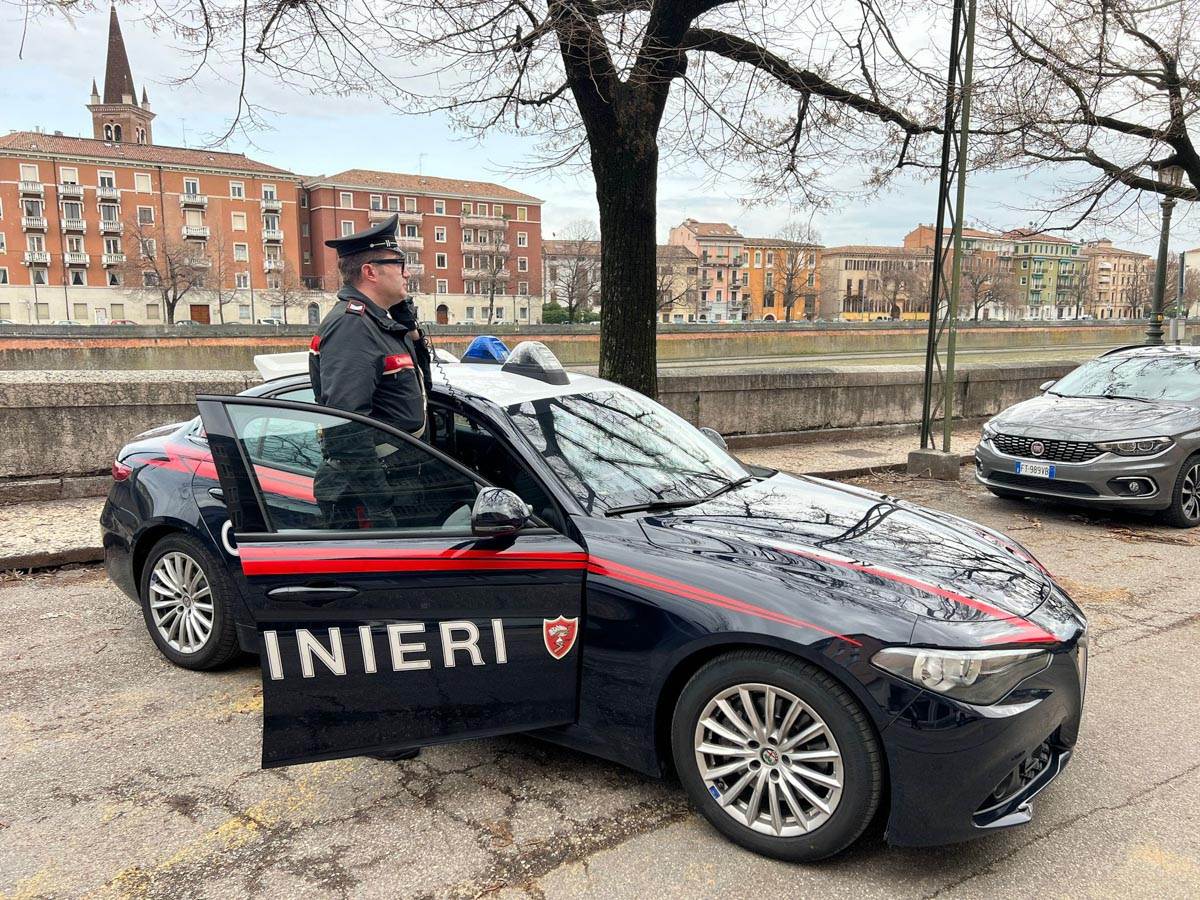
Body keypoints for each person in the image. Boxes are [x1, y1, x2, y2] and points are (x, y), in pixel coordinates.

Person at [308, 214, 433, 529]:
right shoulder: (352, 326)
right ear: (370, 271)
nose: (407, 273)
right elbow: (345, 425)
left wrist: (407, 320)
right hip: (370, 493)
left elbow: (424, 387)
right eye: (399, 264)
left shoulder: (380, 322)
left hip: (401, 480)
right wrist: (380, 506)